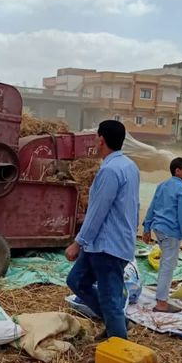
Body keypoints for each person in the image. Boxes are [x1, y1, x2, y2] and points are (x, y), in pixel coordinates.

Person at [65, 120, 140, 341]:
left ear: (101, 140)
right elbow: (135, 206)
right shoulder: (130, 166)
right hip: (106, 243)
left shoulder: (110, 170)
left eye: (96, 138)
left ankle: (119, 345)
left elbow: (97, 212)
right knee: (77, 281)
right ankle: (117, 321)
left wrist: (78, 242)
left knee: (110, 299)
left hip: (108, 245)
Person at [142, 157, 182, 313]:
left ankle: (161, 297)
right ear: (177, 171)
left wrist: (146, 228)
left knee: (166, 264)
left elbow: (152, 207)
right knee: (168, 266)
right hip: (171, 232)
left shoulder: (162, 185)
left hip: (159, 229)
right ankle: (162, 303)